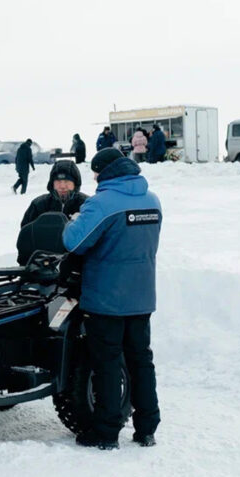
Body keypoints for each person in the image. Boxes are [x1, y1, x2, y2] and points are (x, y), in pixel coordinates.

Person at [61, 147, 162, 450]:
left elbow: (73, 241)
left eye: (94, 172)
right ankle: (147, 428)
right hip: (141, 296)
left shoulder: (102, 204)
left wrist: (74, 219)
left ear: (103, 171)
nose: (93, 178)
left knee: (106, 365)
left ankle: (106, 432)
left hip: (106, 300)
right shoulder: (152, 201)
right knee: (140, 362)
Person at [21, 160, 89, 227]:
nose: (62, 186)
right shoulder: (38, 205)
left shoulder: (87, 205)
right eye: (58, 181)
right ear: (52, 183)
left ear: (75, 184)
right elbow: (26, 232)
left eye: (67, 181)